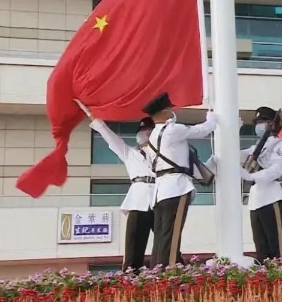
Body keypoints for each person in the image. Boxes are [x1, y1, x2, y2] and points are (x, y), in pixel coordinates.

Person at [74, 100, 156, 273]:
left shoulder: (164, 152)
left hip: (160, 198)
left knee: (167, 244)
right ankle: (131, 279)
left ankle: (172, 276)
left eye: (149, 131)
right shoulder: (129, 153)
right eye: (143, 131)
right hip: (138, 200)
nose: (146, 134)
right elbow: (108, 135)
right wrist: (91, 114)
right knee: (134, 247)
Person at [142, 92, 217, 267]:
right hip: (176, 187)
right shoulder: (173, 130)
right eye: (168, 109)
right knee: (172, 235)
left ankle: (156, 272)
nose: (171, 112)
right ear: (163, 113)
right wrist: (211, 117)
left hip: (160, 192)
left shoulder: (153, 135)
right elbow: (202, 130)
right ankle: (168, 274)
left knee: (161, 236)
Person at [239, 106, 282, 263]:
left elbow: (276, 170)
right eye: (257, 122)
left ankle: (281, 281)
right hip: (255, 200)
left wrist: (251, 175)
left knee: (275, 247)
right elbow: (237, 154)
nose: (259, 126)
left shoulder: (280, 145)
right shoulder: (256, 147)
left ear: (272, 125)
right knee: (261, 248)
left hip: (271, 197)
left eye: (263, 122)